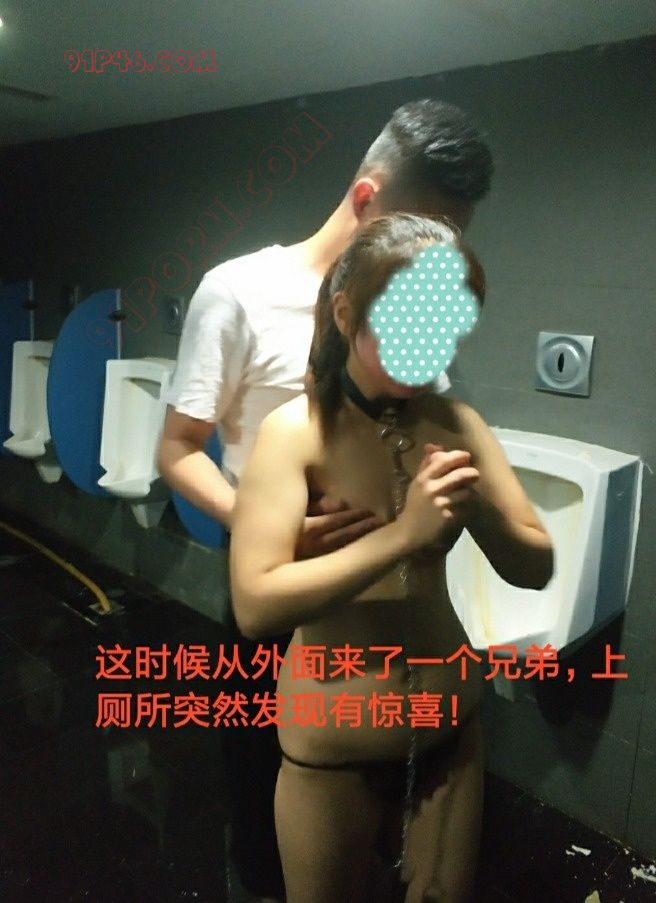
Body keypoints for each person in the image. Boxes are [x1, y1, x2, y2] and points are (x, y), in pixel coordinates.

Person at [158, 99, 495, 901]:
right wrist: (268, 530)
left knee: (398, 820)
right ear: (369, 198)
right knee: (266, 824)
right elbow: (176, 449)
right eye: (428, 226)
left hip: (390, 610)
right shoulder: (238, 291)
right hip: (279, 596)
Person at [230, 212, 554, 903]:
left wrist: (476, 508)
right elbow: (255, 605)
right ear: (346, 314)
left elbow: (537, 566)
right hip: (331, 761)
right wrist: (405, 534)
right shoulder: (296, 433)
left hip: (452, 744)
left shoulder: (458, 424)